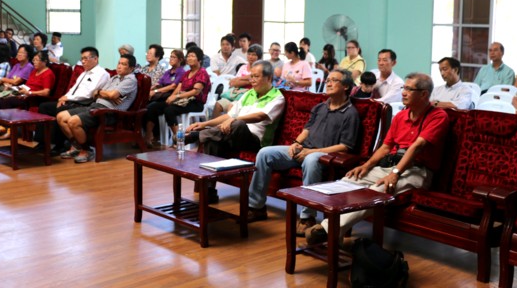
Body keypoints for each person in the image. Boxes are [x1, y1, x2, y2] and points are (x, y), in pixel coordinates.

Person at [305, 73, 449, 246]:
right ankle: (337, 238)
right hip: (389, 164)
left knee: (377, 190)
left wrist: (395, 173)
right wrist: (366, 166)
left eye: (409, 89)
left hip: (417, 171)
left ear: (424, 94)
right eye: (403, 88)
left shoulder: (438, 116)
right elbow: (386, 147)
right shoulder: (401, 116)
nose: (403, 93)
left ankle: (327, 230)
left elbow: (416, 147)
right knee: (348, 181)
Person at [247, 70, 360, 233]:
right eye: (328, 80)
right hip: (304, 149)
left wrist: (312, 152)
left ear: (346, 86)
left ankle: (307, 217)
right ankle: (256, 206)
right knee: (265, 153)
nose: (328, 83)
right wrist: (296, 143)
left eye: (334, 80)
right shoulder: (320, 107)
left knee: (311, 159)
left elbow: (345, 146)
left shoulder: (350, 113)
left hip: (326, 154)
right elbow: (307, 129)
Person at [187, 60, 286, 202]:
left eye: (256, 77)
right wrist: (204, 124)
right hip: (235, 136)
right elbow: (229, 116)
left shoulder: (277, 97)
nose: (252, 80)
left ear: (269, 78)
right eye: (251, 76)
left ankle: (197, 136)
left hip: (256, 142)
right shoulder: (249, 94)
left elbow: (260, 116)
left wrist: (234, 120)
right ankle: (209, 192)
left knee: (239, 123)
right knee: (212, 141)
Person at [56, 54, 138, 163]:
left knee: (72, 122)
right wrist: (103, 93)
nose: (119, 66)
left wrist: (106, 94)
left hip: (108, 112)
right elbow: (95, 93)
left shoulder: (130, 80)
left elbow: (112, 95)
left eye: (123, 64)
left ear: (131, 68)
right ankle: (77, 147)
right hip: (95, 106)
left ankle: (86, 150)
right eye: (119, 63)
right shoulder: (115, 78)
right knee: (61, 117)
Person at [35, 46, 110, 153]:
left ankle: (60, 145)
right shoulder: (84, 73)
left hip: (84, 104)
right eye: (82, 58)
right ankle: (42, 142)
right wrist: (63, 98)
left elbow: (89, 94)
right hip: (72, 101)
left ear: (95, 59)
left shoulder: (101, 74)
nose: (83, 61)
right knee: (44, 107)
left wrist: (68, 98)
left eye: (86, 58)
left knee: (59, 110)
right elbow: (73, 89)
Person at [0, 51, 57, 140]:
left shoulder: (48, 74)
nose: (34, 62)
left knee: (7, 101)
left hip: (35, 99)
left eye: (36, 60)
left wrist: (30, 93)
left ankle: (10, 131)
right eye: (33, 60)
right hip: (24, 94)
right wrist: (17, 89)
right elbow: (28, 85)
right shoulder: (34, 71)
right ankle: (1, 127)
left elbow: (46, 92)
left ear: (44, 61)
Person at [0, 45, 35, 134]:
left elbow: (16, 81)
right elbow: (7, 79)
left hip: (16, 91)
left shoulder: (29, 67)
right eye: (18, 52)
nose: (19, 54)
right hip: (6, 89)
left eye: (22, 52)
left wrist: (5, 80)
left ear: (28, 54)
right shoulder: (16, 65)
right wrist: (7, 81)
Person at [163, 46, 211, 140]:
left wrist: (176, 97)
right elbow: (179, 87)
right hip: (184, 100)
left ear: (199, 59)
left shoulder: (202, 72)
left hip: (196, 102)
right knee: (157, 107)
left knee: (170, 110)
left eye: (192, 56)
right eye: (188, 56)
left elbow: (195, 91)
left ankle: (179, 138)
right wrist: (171, 97)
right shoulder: (187, 73)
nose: (189, 58)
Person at [144, 49, 186, 147]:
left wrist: (155, 91)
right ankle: (150, 135)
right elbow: (159, 83)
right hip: (162, 96)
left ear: (180, 60)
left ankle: (151, 136)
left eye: (174, 57)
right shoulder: (168, 72)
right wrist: (150, 89)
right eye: (170, 57)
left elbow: (173, 86)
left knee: (152, 108)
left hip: (172, 97)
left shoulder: (181, 72)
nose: (171, 59)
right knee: (146, 107)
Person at [212, 44, 263, 118]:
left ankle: (228, 125)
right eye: (249, 54)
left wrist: (240, 79)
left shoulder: (260, 69)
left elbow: (253, 81)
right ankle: (215, 125)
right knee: (218, 104)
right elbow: (233, 83)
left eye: (254, 55)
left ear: (259, 57)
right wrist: (247, 80)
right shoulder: (243, 67)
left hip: (248, 96)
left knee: (231, 106)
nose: (250, 57)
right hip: (236, 94)